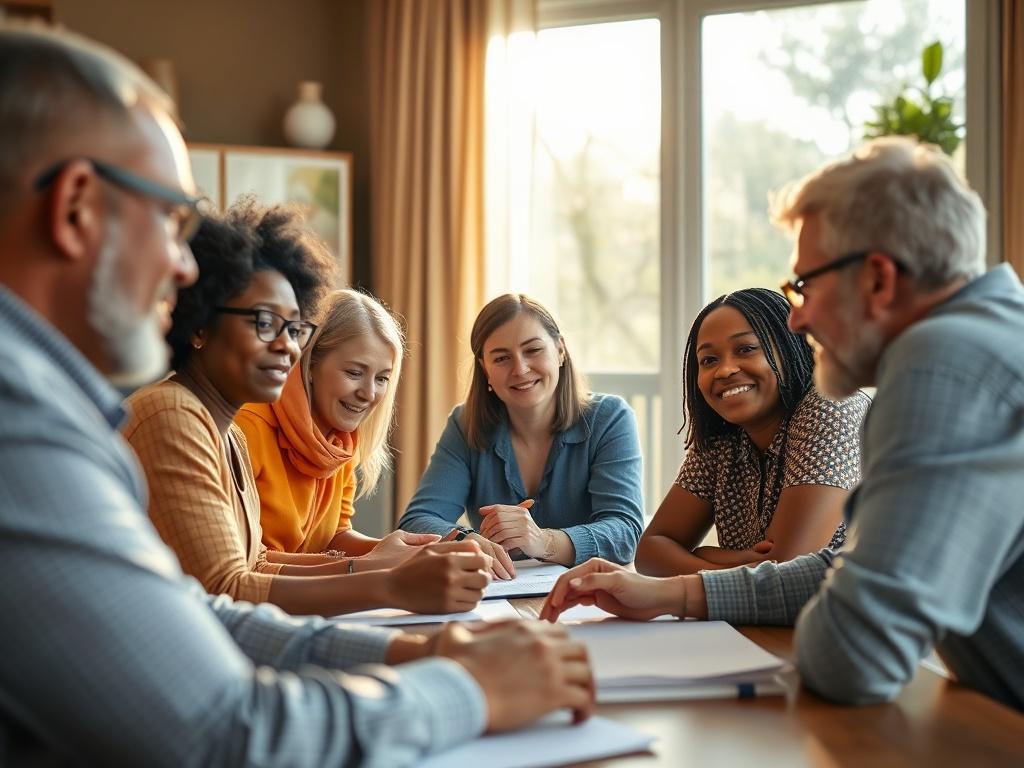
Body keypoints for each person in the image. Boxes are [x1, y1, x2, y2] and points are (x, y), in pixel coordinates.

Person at [0, 24, 593, 764]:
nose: (187, 269)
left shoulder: (63, 405)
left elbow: (206, 614)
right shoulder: (22, 422)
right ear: (78, 207)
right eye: (170, 220)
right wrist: (468, 689)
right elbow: (227, 730)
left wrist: (424, 651)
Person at [542, 136, 1024, 713]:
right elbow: (835, 572)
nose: (797, 317)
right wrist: (669, 594)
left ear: (877, 278)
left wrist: (691, 582)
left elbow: (850, 654)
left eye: (805, 286)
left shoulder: (945, 368)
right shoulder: (986, 343)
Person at [124, 202, 490, 616]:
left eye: (295, 328)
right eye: (264, 323)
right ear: (200, 326)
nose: (287, 346)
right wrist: (385, 584)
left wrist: (382, 566)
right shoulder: (173, 413)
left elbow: (256, 563)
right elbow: (228, 590)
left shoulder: (226, 433)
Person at [399, 293, 645, 577]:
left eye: (533, 350)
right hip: (498, 595)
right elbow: (416, 522)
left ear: (561, 350)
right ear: (485, 370)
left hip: (587, 595)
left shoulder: (610, 418)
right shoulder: (464, 424)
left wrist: (543, 541)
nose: (520, 369)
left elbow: (624, 532)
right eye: (502, 358)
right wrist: (466, 539)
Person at [635, 288, 869, 576]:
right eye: (709, 360)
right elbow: (650, 553)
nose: (724, 370)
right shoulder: (723, 435)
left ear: (788, 348)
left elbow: (785, 570)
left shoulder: (830, 408)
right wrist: (734, 563)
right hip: (762, 620)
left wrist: (709, 556)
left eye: (746, 349)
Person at [236, 288, 419, 560]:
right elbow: (243, 560)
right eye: (354, 373)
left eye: (382, 378)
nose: (369, 394)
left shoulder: (341, 442)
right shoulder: (247, 428)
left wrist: (406, 552)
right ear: (309, 364)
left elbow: (335, 535)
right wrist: (361, 566)